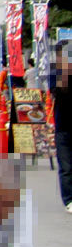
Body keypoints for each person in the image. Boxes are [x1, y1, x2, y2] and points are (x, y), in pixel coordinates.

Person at [51, 39, 72, 213]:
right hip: (63, 127)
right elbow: (53, 92)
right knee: (66, 167)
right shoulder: (56, 74)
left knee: (66, 167)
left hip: (63, 126)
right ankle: (69, 200)